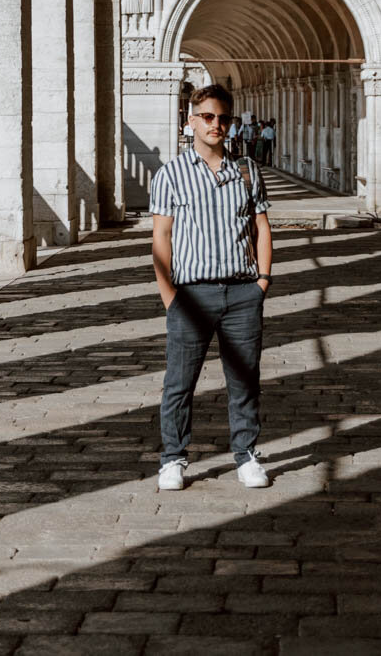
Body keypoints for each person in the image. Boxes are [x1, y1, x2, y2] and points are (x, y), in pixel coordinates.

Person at [150, 83, 274, 492]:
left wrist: (262, 282)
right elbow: (161, 238)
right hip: (191, 294)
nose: (216, 124)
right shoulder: (170, 174)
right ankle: (173, 458)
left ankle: (247, 455)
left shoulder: (247, 170)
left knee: (244, 379)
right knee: (179, 382)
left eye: (223, 118)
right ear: (191, 121)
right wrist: (171, 297)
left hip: (242, 293)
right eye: (207, 116)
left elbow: (261, 227)